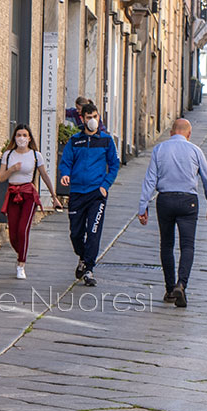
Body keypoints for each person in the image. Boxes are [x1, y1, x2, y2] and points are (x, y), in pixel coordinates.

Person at [138, 118, 207, 307]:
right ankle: (181, 284)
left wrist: (143, 206)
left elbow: (150, 180)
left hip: (165, 199)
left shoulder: (159, 149)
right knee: (187, 246)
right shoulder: (195, 151)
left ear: (171, 132)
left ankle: (169, 289)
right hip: (188, 201)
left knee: (166, 245)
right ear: (189, 134)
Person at [58, 102, 121, 286]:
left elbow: (114, 164)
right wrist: (65, 175)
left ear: (98, 117)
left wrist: (105, 185)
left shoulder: (106, 141)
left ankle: (89, 269)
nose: (92, 120)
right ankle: (83, 258)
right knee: (76, 233)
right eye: (88, 117)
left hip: (97, 194)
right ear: (83, 119)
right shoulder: (74, 141)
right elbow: (66, 162)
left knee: (93, 231)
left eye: (95, 116)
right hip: (77, 192)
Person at [0, 124, 63, 279]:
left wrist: (54, 196)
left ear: (29, 138)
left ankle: (21, 264)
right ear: (15, 137)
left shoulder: (35, 155)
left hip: (28, 195)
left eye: (24, 135)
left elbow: (44, 175)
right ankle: (21, 253)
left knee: (23, 230)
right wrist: (12, 169)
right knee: (13, 234)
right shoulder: (8, 155)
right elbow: (1, 177)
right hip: (13, 194)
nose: (21, 138)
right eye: (19, 135)